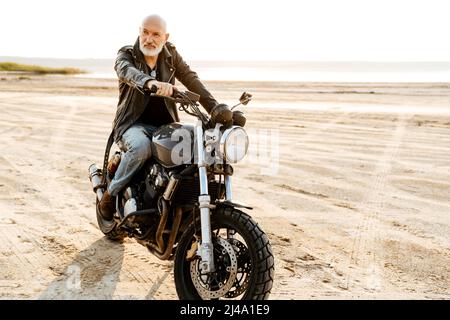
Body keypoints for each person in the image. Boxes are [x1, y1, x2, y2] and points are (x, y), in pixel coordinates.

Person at [98, 14, 237, 220]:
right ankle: (110, 195)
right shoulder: (127, 54)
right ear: (139, 31)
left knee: (198, 147)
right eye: (145, 32)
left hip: (165, 126)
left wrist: (215, 108)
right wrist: (149, 83)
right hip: (132, 125)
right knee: (141, 147)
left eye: (155, 34)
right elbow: (126, 71)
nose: (149, 39)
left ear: (165, 37)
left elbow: (191, 79)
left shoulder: (170, 54)